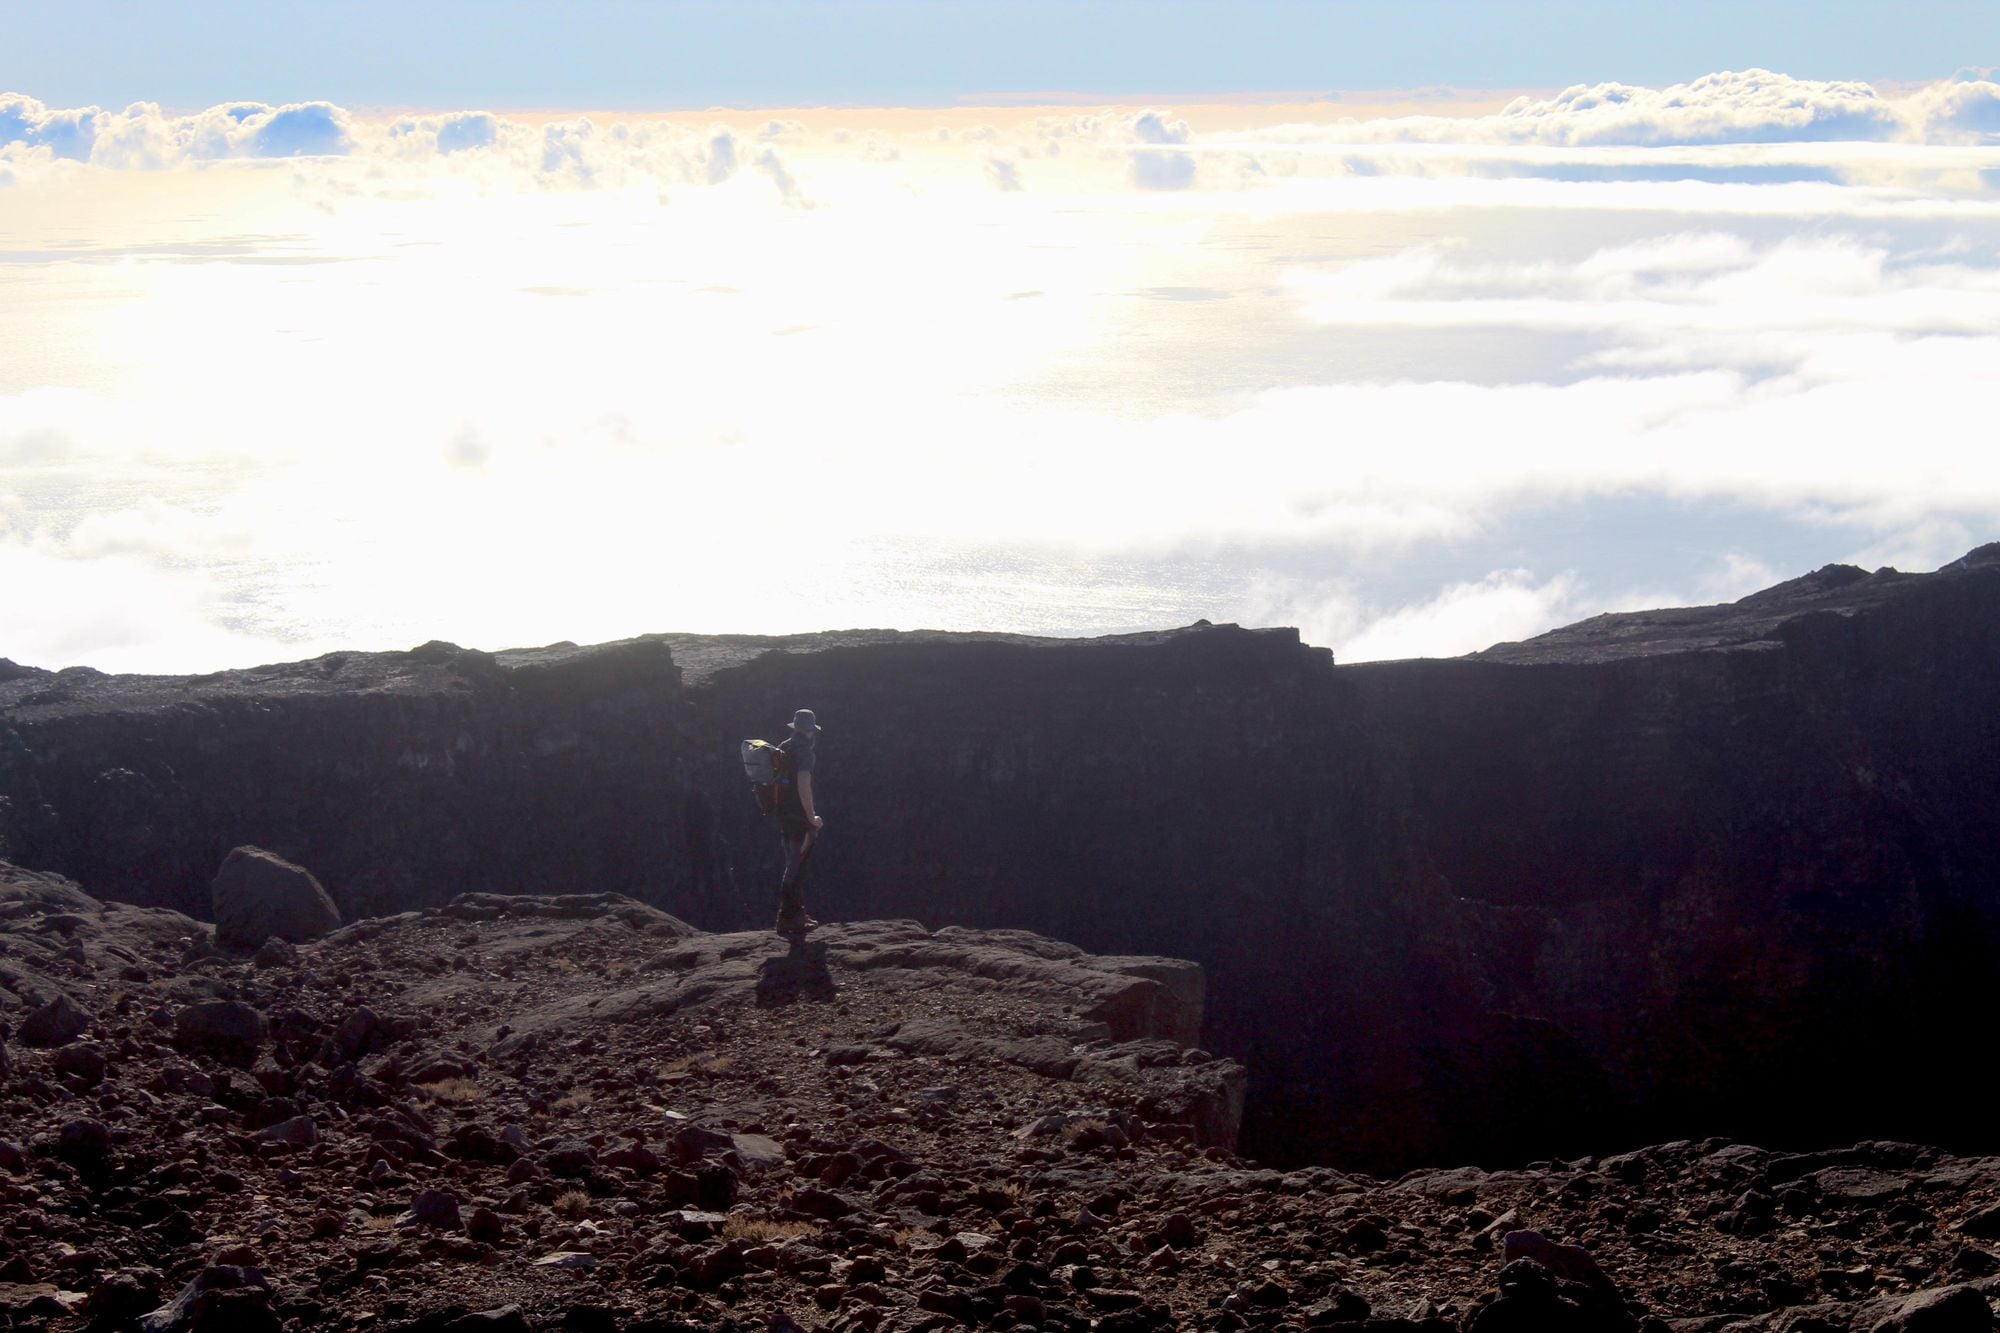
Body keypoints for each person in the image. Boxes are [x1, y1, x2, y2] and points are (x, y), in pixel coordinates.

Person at [773, 708, 824, 934]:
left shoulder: (784, 746)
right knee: (797, 867)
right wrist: (811, 817)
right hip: (798, 817)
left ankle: (795, 914)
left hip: (783, 813)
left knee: (793, 863)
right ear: (811, 730)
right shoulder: (805, 752)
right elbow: (803, 782)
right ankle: (788, 918)